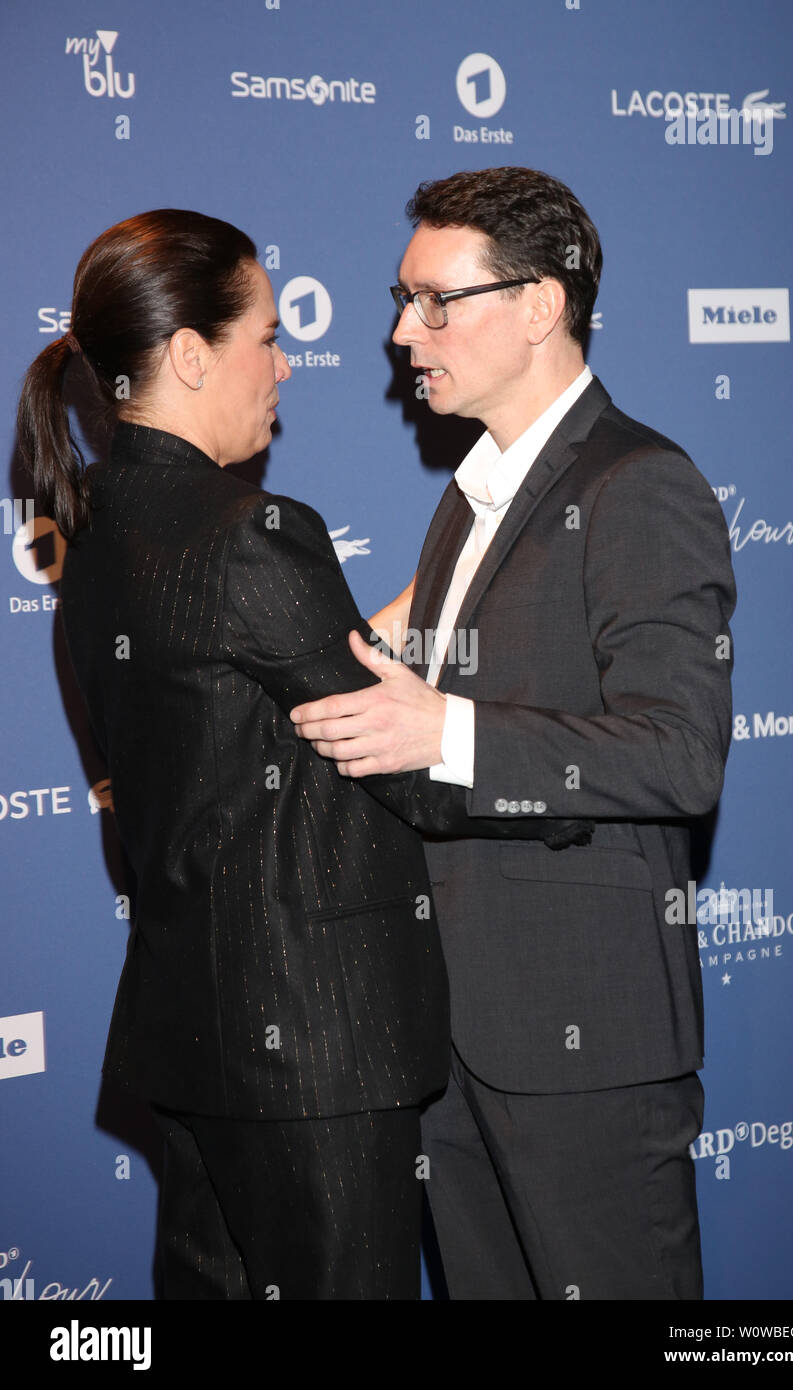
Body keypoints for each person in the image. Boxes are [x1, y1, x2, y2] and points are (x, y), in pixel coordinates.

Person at [290, 167, 737, 1300]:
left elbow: (679, 751)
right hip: (452, 1039)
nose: (402, 331)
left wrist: (449, 727)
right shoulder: (470, 496)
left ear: (540, 305)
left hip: (588, 1047)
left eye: (437, 300)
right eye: (403, 299)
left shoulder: (642, 482)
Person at [15, 208, 457, 1300]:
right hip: (316, 1048)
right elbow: (403, 756)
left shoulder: (103, 533)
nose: (287, 361)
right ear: (188, 354)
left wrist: (444, 595)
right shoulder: (250, 533)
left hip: (194, 1035)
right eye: (266, 334)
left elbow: (299, 677)